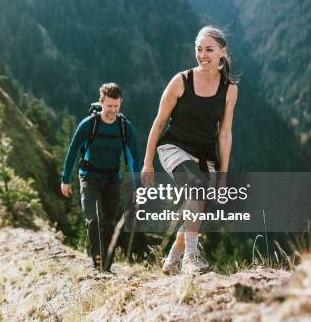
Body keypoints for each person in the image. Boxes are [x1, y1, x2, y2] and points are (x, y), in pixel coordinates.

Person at [141, 26, 238, 274]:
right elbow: (159, 122)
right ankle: (191, 258)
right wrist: (147, 162)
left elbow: (225, 134)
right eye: (198, 49)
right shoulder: (181, 81)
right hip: (174, 148)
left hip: (205, 155)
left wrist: (223, 175)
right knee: (197, 188)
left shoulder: (229, 89)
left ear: (222, 52)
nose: (202, 55)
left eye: (209, 49)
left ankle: (173, 258)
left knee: (200, 203)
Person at [61, 83, 142, 272]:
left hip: (113, 179)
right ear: (101, 102)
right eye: (108, 106)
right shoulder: (89, 124)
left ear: (120, 102)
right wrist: (66, 179)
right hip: (89, 178)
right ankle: (98, 264)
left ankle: (107, 265)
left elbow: (133, 158)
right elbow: (73, 152)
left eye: (116, 106)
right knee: (95, 219)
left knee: (109, 223)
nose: (112, 110)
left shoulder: (124, 127)